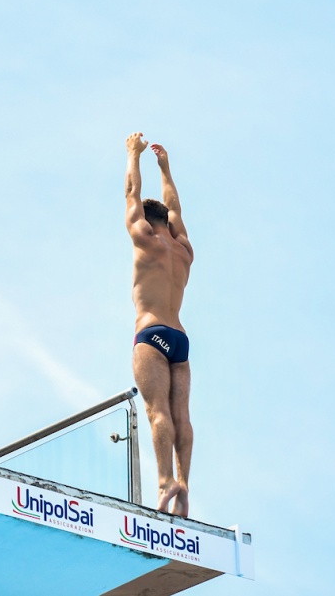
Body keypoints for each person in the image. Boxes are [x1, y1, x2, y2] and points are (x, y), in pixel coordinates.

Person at [124, 132, 195, 517]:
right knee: (181, 414)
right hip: (179, 338)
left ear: (148, 223)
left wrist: (133, 155)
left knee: (157, 413)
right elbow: (175, 207)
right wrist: (165, 167)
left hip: (151, 333)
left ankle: (166, 482)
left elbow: (131, 194)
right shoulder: (184, 249)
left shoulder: (144, 238)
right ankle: (185, 482)